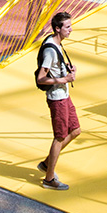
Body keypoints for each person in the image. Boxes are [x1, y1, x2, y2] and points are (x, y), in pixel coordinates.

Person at [35, 11, 80, 190]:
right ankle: (49, 178)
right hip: (57, 98)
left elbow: (54, 67)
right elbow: (41, 78)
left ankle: (47, 163)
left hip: (64, 95)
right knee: (59, 137)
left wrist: (66, 68)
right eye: (67, 27)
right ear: (57, 28)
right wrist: (64, 79)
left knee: (75, 130)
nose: (71, 29)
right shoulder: (50, 51)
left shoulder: (56, 43)